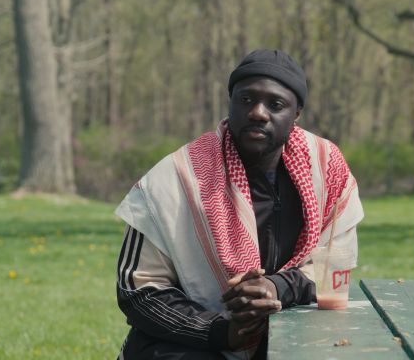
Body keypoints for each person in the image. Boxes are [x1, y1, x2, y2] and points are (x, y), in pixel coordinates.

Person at [115, 49, 363, 360]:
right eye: (246, 100)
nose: (258, 112)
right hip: (189, 344)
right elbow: (137, 292)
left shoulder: (326, 169)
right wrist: (222, 333)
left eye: (275, 104)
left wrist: (276, 288)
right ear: (231, 101)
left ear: (296, 114)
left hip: (290, 335)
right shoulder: (176, 178)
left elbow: (335, 268)